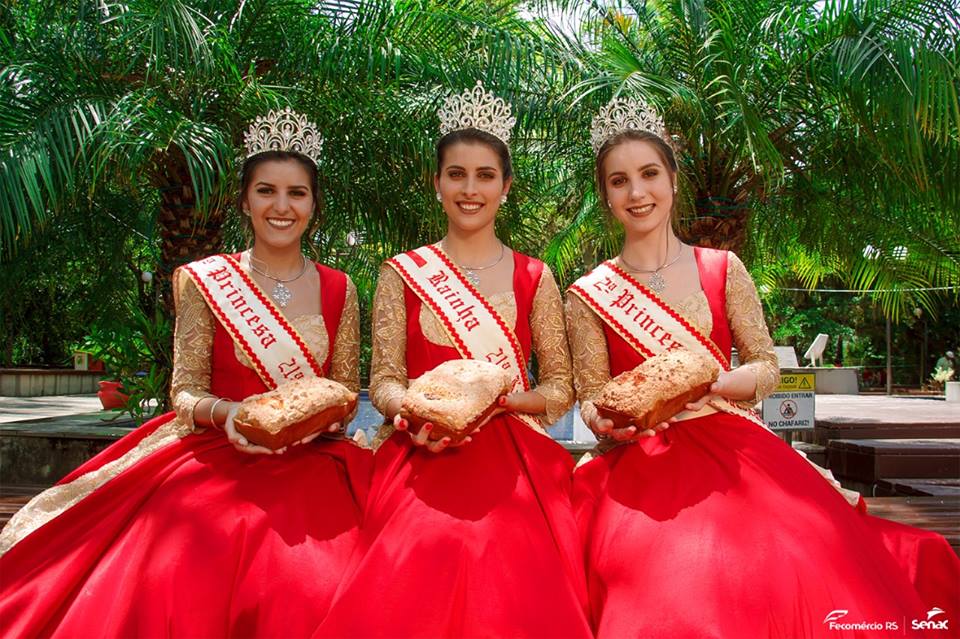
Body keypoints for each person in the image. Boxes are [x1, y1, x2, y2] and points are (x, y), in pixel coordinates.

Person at [565, 97, 956, 637]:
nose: (637, 192)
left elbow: (766, 366)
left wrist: (716, 383)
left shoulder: (722, 268)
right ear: (605, 195)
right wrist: (607, 418)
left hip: (732, 443)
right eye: (618, 180)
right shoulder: (587, 295)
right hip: (637, 458)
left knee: (797, 557)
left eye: (649, 173)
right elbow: (590, 396)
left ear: (673, 180)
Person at [0, 108, 372, 638]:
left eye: (297, 193)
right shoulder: (207, 280)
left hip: (313, 458)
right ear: (245, 201)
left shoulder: (341, 289)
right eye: (267, 191)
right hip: (218, 447)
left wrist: (315, 425)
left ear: (314, 204)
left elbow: (341, 392)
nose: (282, 206)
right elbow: (185, 391)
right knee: (179, 558)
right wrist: (232, 416)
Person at [314, 83, 591, 638]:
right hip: (419, 449)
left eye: (485, 175)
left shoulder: (534, 277)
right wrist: (416, 415)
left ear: (506, 187)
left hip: (516, 454)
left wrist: (503, 401)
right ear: (436, 183)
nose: (471, 189)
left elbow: (562, 387)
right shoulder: (401, 273)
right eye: (457, 174)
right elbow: (384, 381)